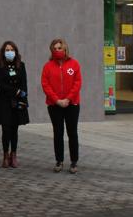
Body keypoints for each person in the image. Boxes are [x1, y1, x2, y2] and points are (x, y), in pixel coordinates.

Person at [41, 38, 82, 174]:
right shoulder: (48, 66)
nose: (57, 50)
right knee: (58, 133)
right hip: (54, 105)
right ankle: (59, 161)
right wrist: (57, 100)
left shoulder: (74, 64)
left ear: (65, 49)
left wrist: (68, 99)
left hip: (72, 104)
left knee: (72, 133)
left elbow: (77, 83)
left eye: (59, 48)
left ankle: (74, 162)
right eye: (55, 48)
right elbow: (45, 84)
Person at [0, 41, 29, 168]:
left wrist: (23, 95)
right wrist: (16, 91)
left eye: (12, 49)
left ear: (16, 51)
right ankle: (5, 155)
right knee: (6, 129)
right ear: (3, 52)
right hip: (4, 101)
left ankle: (13, 155)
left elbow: (24, 82)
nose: (9, 52)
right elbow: (1, 84)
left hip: (18, 101)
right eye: (7, 50)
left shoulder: (21, 65)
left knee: (14, 129)